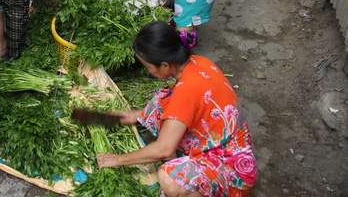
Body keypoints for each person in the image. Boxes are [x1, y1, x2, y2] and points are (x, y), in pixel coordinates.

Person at [96, 21, 257, 197]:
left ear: (165, 65)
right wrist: (137, 115)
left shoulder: (186, 91)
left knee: (169, 178)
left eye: (149, 67)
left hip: (233, 172)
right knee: (163, 98)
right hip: (224, 143)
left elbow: (163, 150)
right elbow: (181, 103)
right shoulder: (198, 62)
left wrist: (117, 159)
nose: (149, 72)